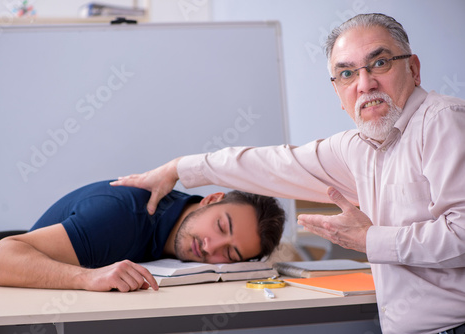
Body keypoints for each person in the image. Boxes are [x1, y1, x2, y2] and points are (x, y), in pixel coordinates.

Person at [110, 13, 465, 334]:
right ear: (338, 93)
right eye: (347, 73)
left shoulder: (442, 121)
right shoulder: (358, 147)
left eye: (380, 63)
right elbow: (274, 164)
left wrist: (369, 240)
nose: (365, 83)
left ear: (413, 69)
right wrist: (179, 168)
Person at [0, 180, 285, 292]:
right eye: (220, 227)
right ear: (211, 199)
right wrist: (87, 278)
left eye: (229, 254)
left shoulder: (176, 216)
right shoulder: (118, 217)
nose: (210, 247)